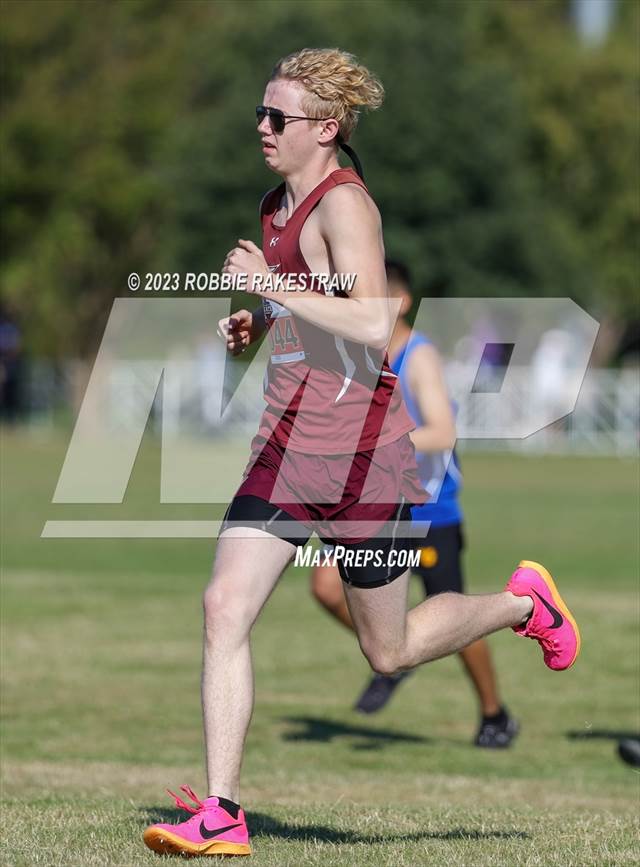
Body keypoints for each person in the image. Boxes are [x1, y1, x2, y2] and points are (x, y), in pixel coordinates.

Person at [143, 48, 581, 858]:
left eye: (280, 117)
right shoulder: (276, 204)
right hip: (285, 445)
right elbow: (315, 314)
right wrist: (256, 330)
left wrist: (270, 290)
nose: (263, 127)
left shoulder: (348, 207)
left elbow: (376, 323)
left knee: (390, 647)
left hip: (361, 458)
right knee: (222, 607)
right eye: (262, 113)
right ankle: (223, 811)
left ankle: (527, 605)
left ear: (328, 128)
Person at [311, 260, 518, 747]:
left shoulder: (417, 355)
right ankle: (395, 656)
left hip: (429, 512)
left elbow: (443, 432)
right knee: (325, 586)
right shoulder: (357, 356)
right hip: (377, 508)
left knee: (454, 614)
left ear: (398, 301)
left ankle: (495, 713)